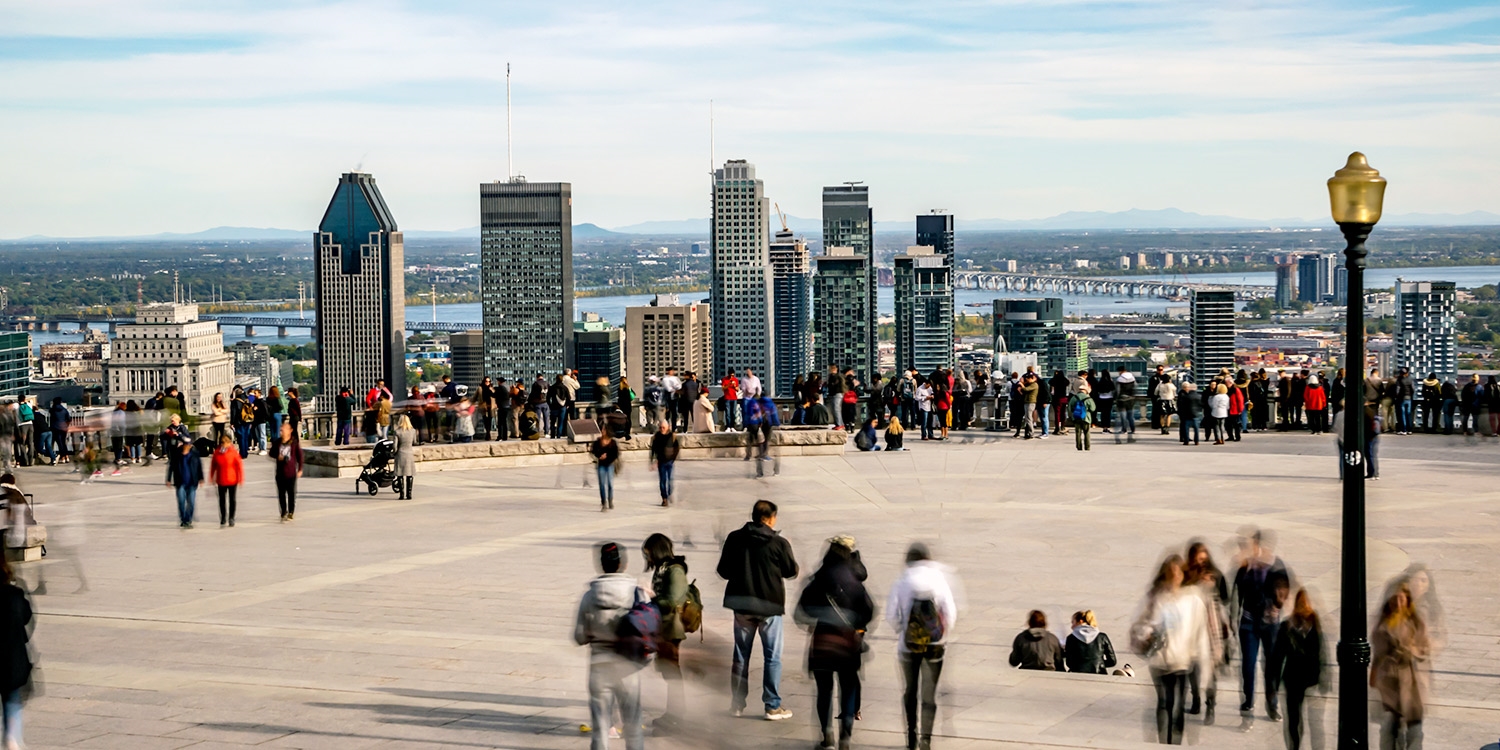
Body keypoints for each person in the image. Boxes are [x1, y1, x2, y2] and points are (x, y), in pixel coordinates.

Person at [715, 500, 799, 721]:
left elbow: (723, 571)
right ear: (770, 518)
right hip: (769, 607)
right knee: (772, 657)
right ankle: (772, 705)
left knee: (741, 656)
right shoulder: (779, 543)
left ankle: (736, 704)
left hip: (742, 605)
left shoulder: (734, 538)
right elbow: (791, 571)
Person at [795, 535, 873, 750]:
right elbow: (868, 611)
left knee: (824, 690)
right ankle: (845, 737)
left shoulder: (818, 578)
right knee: (848, 687)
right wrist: (856, 623)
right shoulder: (854, 581)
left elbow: (802, 609)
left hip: (823, 641)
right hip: (847, 642)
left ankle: (827, 734)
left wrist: (818, 617)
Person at [573, 541, 646, 750]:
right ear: (623, 564)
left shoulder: (589, 596)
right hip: (627, 666)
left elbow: (579, 636)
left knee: (600, 729)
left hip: (599, 666)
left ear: (601, 565)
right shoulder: (635, 593)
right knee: (633, 726)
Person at [886, 542, 957, 750]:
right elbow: (950, 612)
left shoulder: (901, 581)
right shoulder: (939, 579)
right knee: (929, 694)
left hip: (908, 645)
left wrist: (903, 629)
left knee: (910, 691)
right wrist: (941, 633)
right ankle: (926, 739)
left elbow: (891, 614)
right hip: (935, 645)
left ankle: (911, 736)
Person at [1135, 554, 1211, 745]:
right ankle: (1164, 744)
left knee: (1177, 704)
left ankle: (1174, 744)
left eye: (1178, 573)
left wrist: (1202, 659)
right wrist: (1147, 633)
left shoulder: (1193, 600)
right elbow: (1147, 623)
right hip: (1160, 659)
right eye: (1171, 573)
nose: (1175, 577)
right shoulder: (1159, 598)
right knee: (1163, 702)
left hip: (1181, 660)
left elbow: (1199, 630)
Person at [1233, 529, 1291, 723]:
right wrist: (1234, 618)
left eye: (1248, 545)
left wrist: (1277, 605)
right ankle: (1248, 699)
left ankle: (1272, 704)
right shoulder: (1244, 566)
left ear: (1257, 544)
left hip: (1270, 624)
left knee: (1271, 667)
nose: (1244, 549)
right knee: (1248, 664)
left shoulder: (1274, 563)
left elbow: (1284, 588)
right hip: (1248, 622)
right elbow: (1236, 593)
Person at [1268, 589, 1329, 750]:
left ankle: (1295, 747)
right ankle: (1295, 746)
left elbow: (1277, 658)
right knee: (1301, 722)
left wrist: (1273, 683)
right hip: (1302, 679)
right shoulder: (1293, 626)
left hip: (1298, 679)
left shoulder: (1310, 625)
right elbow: (1322, 653)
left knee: (1298, 722)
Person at [1372, 582, 1429, 750]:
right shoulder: (1384, 624)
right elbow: (1378, 650)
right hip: (1388, 683)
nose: (1397, 603)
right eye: (1394, 599)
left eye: (1401, 599)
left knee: (1414, 730)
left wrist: (1411, 648)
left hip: (1410, 684)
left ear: (1407, 600)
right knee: (1389, 728)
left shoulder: (1414, 622)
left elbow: (1423, 649)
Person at [643, 534, 689, 732]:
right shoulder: (662, 570)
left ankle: (677, 714)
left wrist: (652, 597)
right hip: (661, 627)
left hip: (671, 628)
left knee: (672, 672)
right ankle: (674, 712)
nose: (648, 559)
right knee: (668, 671)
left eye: (649, 554)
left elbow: (673, 601)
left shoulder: (675, 570)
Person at [1184, 541, 1229, 723]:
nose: (1201, 563)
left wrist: (1211, 591)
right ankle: (1195, 698)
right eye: (1197, 560)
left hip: (1212, 627)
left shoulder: (1216, 575)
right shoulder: (1186, 576)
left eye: (1203, 559)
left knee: (1211, 668)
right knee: (1192, 666)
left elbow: (1225, 599)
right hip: (1192, 626)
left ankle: (1211, 704)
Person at [0, 554, 33, 750]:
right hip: (10, 661)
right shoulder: (13, 594)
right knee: (11, 699)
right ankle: (11, 739)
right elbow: (26, 616)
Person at [1063, 610, 1118, 675]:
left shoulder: (1071, 638)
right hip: (1099, 673)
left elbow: (1069, 663)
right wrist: (1100, 664)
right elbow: (1112, 661)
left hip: (1077, 674)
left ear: (1080, 621)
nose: (1071, 626)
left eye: (1073, 623)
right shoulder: (1102, 637)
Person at [165, 438, 203, 529]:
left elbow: (199, 466)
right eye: (185, 444)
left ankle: (188, 520)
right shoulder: (176, 454)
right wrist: (168, 479)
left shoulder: (194, 454)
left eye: (188, 444)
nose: (187, 446)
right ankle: (183, 519)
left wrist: (201, 478)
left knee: (191, 502)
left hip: (192, 482)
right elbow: (171, 467)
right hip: (180, 482)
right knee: (181, 502)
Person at [209, 434, 243, 527]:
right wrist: (211, 477)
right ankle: (223, 517)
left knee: (232, 500)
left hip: (232, 479)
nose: (224, 444)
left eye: (225, 442)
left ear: (229, 443)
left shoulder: (233, 452)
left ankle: (231, 517)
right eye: (222, 443)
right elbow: (213, 466)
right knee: (222, 500)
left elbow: (239, 466)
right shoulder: (217, 452)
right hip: (221, 479)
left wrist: (240, 478)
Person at [274, 421, 303, 521]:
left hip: (291, 473)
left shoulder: (294, 443)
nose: (281, 432)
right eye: (281, 430)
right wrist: (278, 456)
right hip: (280, 473)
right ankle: (283, 511)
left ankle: (291, 512)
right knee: (281, 494)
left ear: (290, 431)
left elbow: (300, 457)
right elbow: (271, 453)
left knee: (291, 494)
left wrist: (300, 469)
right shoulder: (278, 442)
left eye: (284, 430)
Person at [649, 421, 679, 507]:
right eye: (660, 427)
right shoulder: (657, 436)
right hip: (661, 462)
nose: (662, 429)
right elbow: (653, 449)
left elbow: (676, 448)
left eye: (663, 427)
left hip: (669, 462)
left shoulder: (672, 436)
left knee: (670, 480)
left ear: (668, 427)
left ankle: (669, 493)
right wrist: (652, 461)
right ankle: (664, 499)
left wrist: (673, 458)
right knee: (662, 481)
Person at [589, 431, 620, 511]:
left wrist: (607, 457)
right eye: (602, 430)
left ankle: (610, 500)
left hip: (610, 465)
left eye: (605, 430)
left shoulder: (612, 442)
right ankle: (603, 503)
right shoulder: (598, 442)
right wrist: (600, 456)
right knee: (602, 484)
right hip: (601, 465)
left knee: (610, 484)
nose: (603, 432)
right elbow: (593, 451)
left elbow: (615, 454)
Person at [393, 414, 417, 500]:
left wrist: (394, 453)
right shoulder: (413, 431)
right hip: (409, 453)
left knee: (400, 474)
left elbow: (395, 446)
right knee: (409, 474)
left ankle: (401, 494)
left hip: (400, 453)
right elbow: (414, 442)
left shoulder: (397, 432)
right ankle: (409, 494)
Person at [1066, 385, 1096, 451]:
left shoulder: (1074, 397)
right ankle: (1087, 447)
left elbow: (1069, 408)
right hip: (1086, 418)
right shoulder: (1088, 398)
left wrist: (1071, 416)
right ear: (1085, 390)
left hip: (1076, 417)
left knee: (1078, 433)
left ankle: (1079, 447)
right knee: (1087, 432)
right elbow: (1093, 409)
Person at [1114, 367, 1138, 442]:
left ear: (1121, 371)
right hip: (1131, 399)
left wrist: (1116, 398)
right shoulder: (1132, 378)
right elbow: (1135, 388)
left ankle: (1124, 429)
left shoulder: (1119, 380)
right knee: (1130, 416)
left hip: (1122, 400)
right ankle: (1133, 429)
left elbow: (1117, 391)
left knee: (1123, 416)